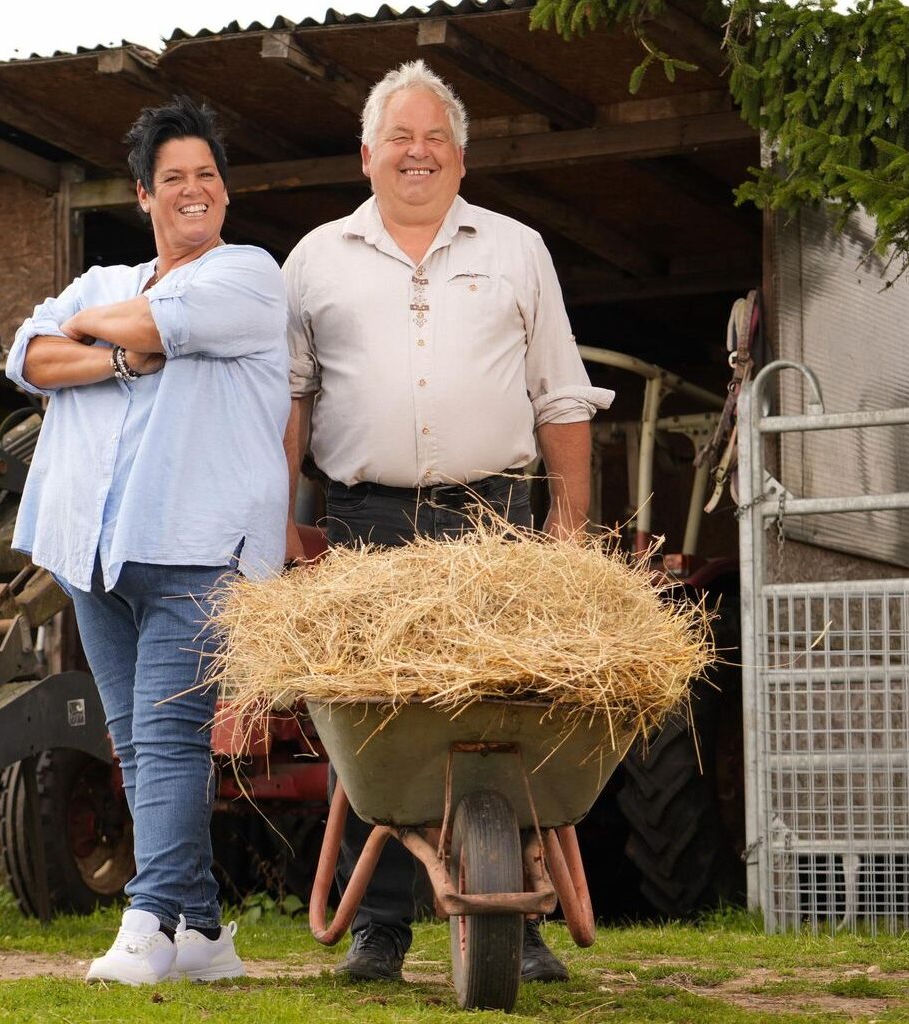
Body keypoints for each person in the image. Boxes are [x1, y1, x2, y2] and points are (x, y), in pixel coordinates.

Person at [282, 60, 615, 984]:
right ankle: (378, 930)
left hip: (494, 519)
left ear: (461, 159)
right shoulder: (314, 260)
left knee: (507, 717)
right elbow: (292, 408)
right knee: (379, 726)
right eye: (400, 137)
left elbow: (561, 395)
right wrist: (276, 527)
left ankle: (526, 919)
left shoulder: (517, 250)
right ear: (367, 156)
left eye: (435, 139)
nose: (417, 152)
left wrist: (569, 530)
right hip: (367, 522)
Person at [8, 96, 290, 986]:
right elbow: (28, 356)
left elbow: (158, 323)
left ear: (225, 192)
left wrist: (102, 331)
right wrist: (116, 356)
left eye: (207, 175)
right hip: (94, 548)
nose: (195, 189)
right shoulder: (102, 282)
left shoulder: (247, 274)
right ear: (143, 194)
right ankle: (202, 932)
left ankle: (146, 923)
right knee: (135, 745)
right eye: (175, 178)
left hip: (197, 545)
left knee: (169, 741)